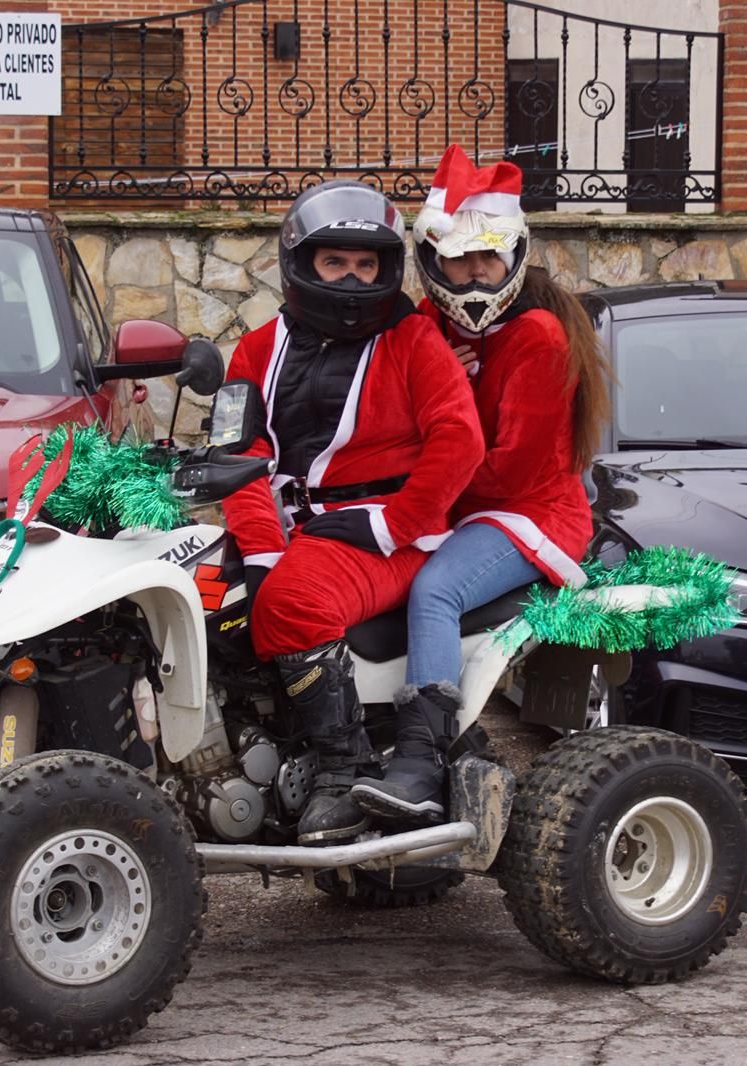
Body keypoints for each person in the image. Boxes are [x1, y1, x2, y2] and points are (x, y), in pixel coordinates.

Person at [351, 144, 612, 823]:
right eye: (459, 260)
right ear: (434, 261)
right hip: (460, 508)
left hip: (526, 515)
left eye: (486, 259)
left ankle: (421, 755)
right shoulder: (427, 324)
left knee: (435, 591)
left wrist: (451, 408)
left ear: (511, 256)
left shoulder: (537, 337)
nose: (473, 274)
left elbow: (509, 471)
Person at [222, 180, 484, 844]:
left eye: (366, 265)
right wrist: (258, 549)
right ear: (301, 264)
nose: (352, 278)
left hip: (387, 531)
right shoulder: (257, 348)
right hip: (291, 525)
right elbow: (241, 452)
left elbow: (460, 443)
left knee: (292, 603)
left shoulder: (414, 341)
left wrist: (392, 524)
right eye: (335, 262)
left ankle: (344, 770)